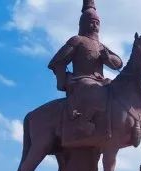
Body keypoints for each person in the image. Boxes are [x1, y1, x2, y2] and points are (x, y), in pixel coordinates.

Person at [48, 0, 123, 139]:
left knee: (118, 91)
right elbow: (57, 62)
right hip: (81, 80)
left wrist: (107, 58)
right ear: (82, 24)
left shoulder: (100, 45)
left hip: (100, 81)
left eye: (97, 23)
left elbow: (118, 64)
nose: (94, 26)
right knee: (94, 89)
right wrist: (65, 80)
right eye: (91, 22)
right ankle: (83, 122)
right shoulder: (78, 40)